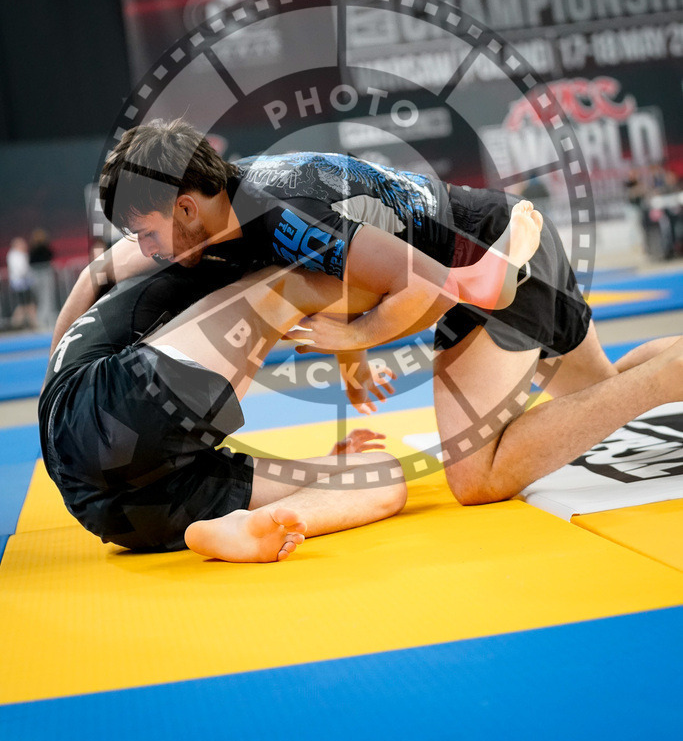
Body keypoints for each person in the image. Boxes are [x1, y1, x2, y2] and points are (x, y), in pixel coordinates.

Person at [52, 119, 681, 509]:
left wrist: (360, 335)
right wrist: (60, 379)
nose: (149, 251)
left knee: (479, 477)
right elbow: (95, 275)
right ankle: (664, 371)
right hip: (484, 239)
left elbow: (434, 289)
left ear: (187, 206)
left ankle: (668, 375)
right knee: (604, 393)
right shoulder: (227, 206)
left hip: (487, 255)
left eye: (148, 233)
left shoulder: (287, 219)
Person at [41, 255, 406, 562]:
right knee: (293, 285)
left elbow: (93, 274)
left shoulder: (192, 257)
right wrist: (356, 366)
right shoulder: (188, 238)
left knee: (383, 474)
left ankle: (254, 525)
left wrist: (321, 472)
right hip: (103, 417)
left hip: (117, 508)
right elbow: (337, 279)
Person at [28, 228, 57, 330]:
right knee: (45, 298)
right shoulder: (42, 248)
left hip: (38, 276)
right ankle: (43, 320)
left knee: (42, 299)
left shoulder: (33, 249)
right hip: (43, 275)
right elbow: (50, 256)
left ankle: (44, 320)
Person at [6, 236, 37, 329]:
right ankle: (17, 324)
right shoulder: (15, 255)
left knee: (27, 305)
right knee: (25, 305)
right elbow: (21, 270)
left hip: (23, 283)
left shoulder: (20, 254)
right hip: (20, 284)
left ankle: (29, 323)